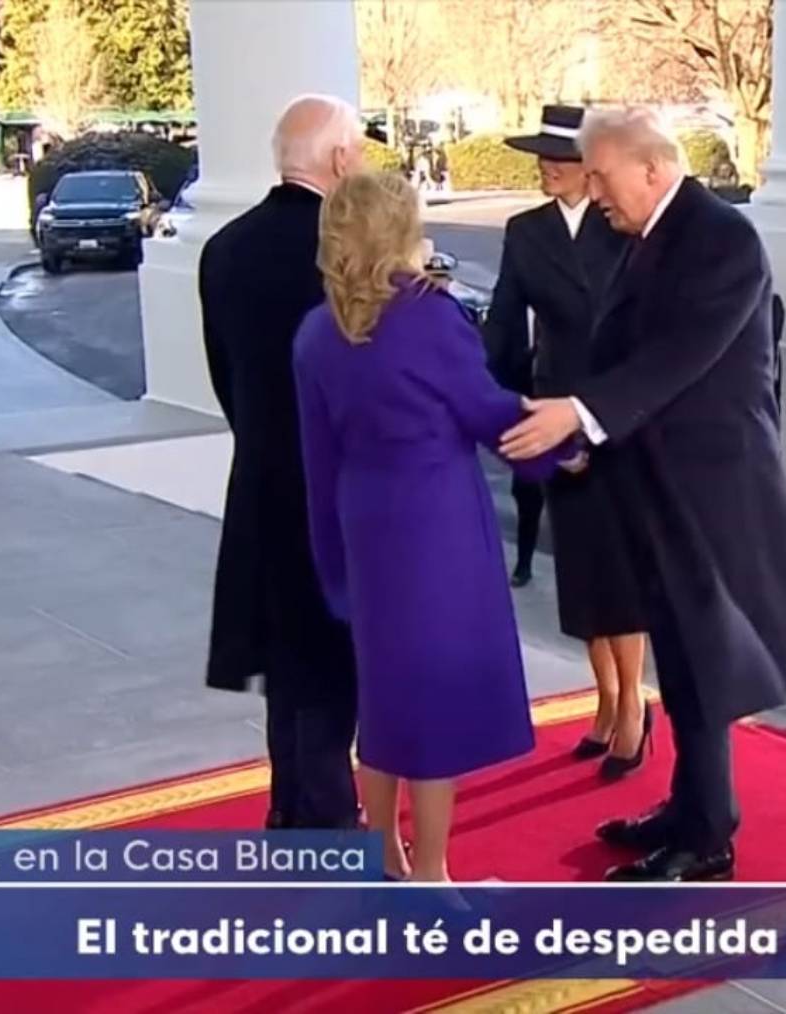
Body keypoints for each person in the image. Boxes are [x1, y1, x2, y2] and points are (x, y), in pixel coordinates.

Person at [499, 107, 786, 881]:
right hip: (651, 477)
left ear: (651, 169)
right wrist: (582, 436)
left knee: (704, 660)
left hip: (712, 489)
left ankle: (707, 837)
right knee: (680, 657)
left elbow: (679, 356)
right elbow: (618, 351)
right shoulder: (642, 232)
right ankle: (692, 806)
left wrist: (579, 414)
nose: (596, 193)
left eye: (603, 178)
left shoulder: (721, 238)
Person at [294, 171, 579, 882]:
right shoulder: (428, 314)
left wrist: (333, 561)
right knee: (435, 703)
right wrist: (569, 445)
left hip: (364, 521)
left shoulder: (315, 331)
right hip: (435, 527)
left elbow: (316, 457)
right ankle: (431, 876)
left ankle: (388, 852)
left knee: (386, 695)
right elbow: (487, 411)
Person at [199, 95, 367, 831]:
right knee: (331, 660)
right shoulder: (346, 254)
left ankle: (290, 806)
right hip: (338, 490)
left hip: (261, 479)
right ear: (337, 160)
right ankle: (330, 821)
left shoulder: (224, 246)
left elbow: (223, 373)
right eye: (358, 150)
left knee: (286, 658)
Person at [486, 105, 651, 777]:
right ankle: (606, 698)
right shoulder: (525, 232)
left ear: (594, 163)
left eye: (561, 156)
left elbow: (654, 331)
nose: (547, 167)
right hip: (553, 415)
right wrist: (499, 411)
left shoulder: (629, 228)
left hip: (620, 418)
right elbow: (502, 325)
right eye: (541, 156)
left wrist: (618, 414)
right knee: (579, 568)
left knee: (621, 569)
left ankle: (636, 707)